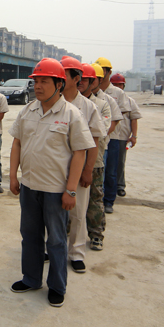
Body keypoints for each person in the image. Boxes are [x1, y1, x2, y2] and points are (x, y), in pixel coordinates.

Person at [9, 58, 94, 308]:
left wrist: (71, 190)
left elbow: (80, 152)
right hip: (29, 186)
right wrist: (13, 176)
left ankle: (57, 286)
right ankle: (31, 278)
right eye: (36, 81)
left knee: (56, 240)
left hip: (56, 191)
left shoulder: (72, 114)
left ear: (59, 84)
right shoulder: (28, 111)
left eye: (44, 81)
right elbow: (17, 143)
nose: (37, 86)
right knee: (30, 235)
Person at [60, 56, 106, 274]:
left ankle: (76, 253)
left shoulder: (88, 107)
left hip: (78, 170)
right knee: (52, 212)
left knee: (78, 213)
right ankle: (51, 247)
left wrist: (88, 170)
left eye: (63, 74)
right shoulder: (52, 101)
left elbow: (94, 141)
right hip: (54, 169)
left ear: (76, 78)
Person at [80, 64, 113, 252]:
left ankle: (96, 235)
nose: (81, 82)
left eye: (85, 79)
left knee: (95, 200)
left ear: (93, 81)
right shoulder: (69, 103)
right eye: (79, 78)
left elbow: (101, 129)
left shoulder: (102, 105)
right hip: (71, 160)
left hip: (94, 161)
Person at [96, 57, 130, 214]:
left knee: (111, 171)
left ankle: (109, 200)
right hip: (96, 139)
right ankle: (97, 200)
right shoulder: (90, 93)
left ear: (109, 72)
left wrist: (104, 132)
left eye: (103, 70)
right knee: (98, 171)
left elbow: (119, 116)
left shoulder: (117, 93)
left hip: (113, 137)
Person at [110, 74, 142, 197]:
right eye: (115, 84)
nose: (118, 87)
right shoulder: (107, 99)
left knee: (120, 162)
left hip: (122, 137)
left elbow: (134, 119)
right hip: (109, 135)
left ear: (124, 86)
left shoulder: (129, 101)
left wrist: (134, 136)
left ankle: (120, 186)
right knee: (108, 163)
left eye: (120, 84)